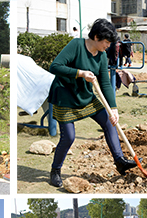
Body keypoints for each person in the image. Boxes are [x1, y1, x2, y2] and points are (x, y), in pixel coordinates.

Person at [47, 18, 137, 188]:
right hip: (65, 96)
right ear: (96, 37)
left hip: (85, 96)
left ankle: (119, 160)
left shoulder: (102, 55)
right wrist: (80, 73)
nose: (108, 46)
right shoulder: (76, 46)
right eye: (106, 42)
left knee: (109, 121)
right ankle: (55, 171)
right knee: (69, 138)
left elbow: (104, 83)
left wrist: (114, 108)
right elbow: (55, 66)